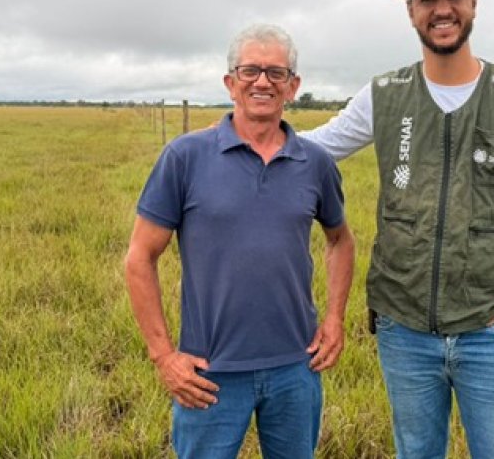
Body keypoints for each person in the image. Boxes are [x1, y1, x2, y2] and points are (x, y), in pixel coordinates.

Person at [301, 0, 494, 458]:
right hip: (403, 328)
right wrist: (245, 134)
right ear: (410, 12)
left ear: (474, 1)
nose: (442, 9)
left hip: (490, 330)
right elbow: (319, 146)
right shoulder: (384, 95)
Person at [125, 23, 355, 459]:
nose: (263, 82)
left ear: (293, 87)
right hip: (209, 373)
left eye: (276, 73)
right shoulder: (185, 157)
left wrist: (335, 319)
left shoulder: (316, 163)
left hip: (296, 367)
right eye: (250, 71)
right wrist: (163, 355)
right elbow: (140, 257)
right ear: (230, 83)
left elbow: (340, 239)